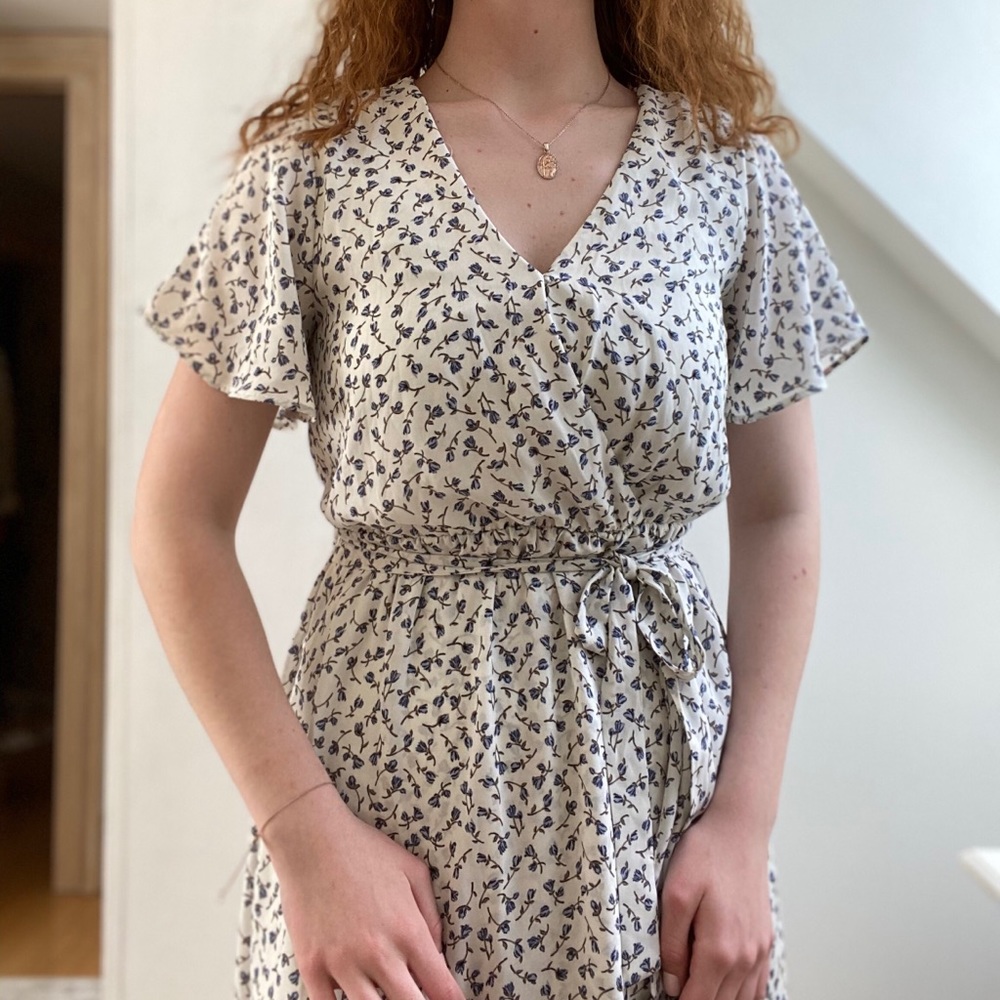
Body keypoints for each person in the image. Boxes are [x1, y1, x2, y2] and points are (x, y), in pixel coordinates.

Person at [132, 1, 871, 998]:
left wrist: (744, 820)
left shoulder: (725, 173)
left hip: (656, 825)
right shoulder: (314, 169)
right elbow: (177, 519)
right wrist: (309, 837)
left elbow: (781, 510)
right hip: (381, 825)